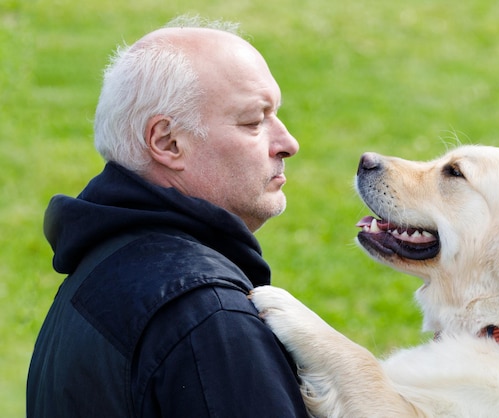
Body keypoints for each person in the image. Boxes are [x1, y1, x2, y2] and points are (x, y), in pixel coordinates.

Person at [27, 16, 309, 417]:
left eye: (276, 115)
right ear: (168, 142)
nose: (287, 143)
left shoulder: (94, 275)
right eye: (253, 121)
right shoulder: (207, 317)